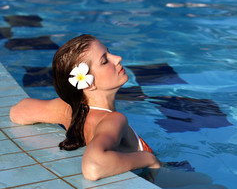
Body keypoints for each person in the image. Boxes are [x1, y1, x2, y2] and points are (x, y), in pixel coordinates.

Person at [9, 34, 161, 181]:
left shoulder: (69, 110)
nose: (117, 58)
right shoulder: (114, 119)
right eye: (104, 60)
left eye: (109, 52)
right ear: (88, 83)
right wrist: (149, 159)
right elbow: (93, 167)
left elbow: (18, 112)